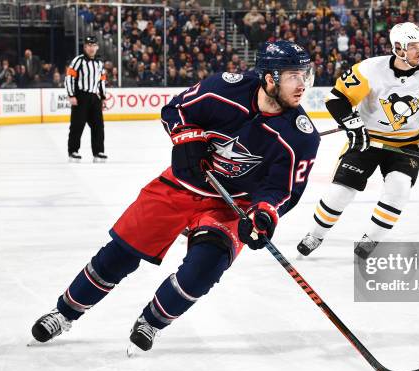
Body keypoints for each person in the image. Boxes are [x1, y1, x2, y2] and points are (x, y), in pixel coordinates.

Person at [31, 40, 320, 353]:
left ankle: (151, 322)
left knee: (205, 269)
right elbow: (176, 109)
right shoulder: (222, 89)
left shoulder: (301, 136)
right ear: (269, 77)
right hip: (181, 186)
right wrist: (187, 139)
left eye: (305, 75)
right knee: (120, 254)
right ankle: (65, 312)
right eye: (293, 75)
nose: (302, 84)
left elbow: (282, 190)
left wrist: (262, 214)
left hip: (230, 205)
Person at [296, 22, 419, 259]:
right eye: (414, 46)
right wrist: (353, 124)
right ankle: (315, 234)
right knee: (340, 192)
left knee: (399, 189)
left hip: (406, 145)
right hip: (367, 140)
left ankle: (371, 238)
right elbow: (336, 98)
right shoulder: (370, 69)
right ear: (398, 47)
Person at [65, 36, 108, 162]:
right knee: (77, 125)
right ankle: (73, 151)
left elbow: (102, 81)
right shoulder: (78, 61)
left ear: (97, 47)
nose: (91, 48)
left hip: (95, 98)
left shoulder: (99, 63)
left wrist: (103, 97)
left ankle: (98, 151)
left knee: (98, 126)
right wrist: (71, 95)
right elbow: (69, 78)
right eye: (89, 45)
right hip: (81, 96)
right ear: (85, 47)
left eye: (93, 45)